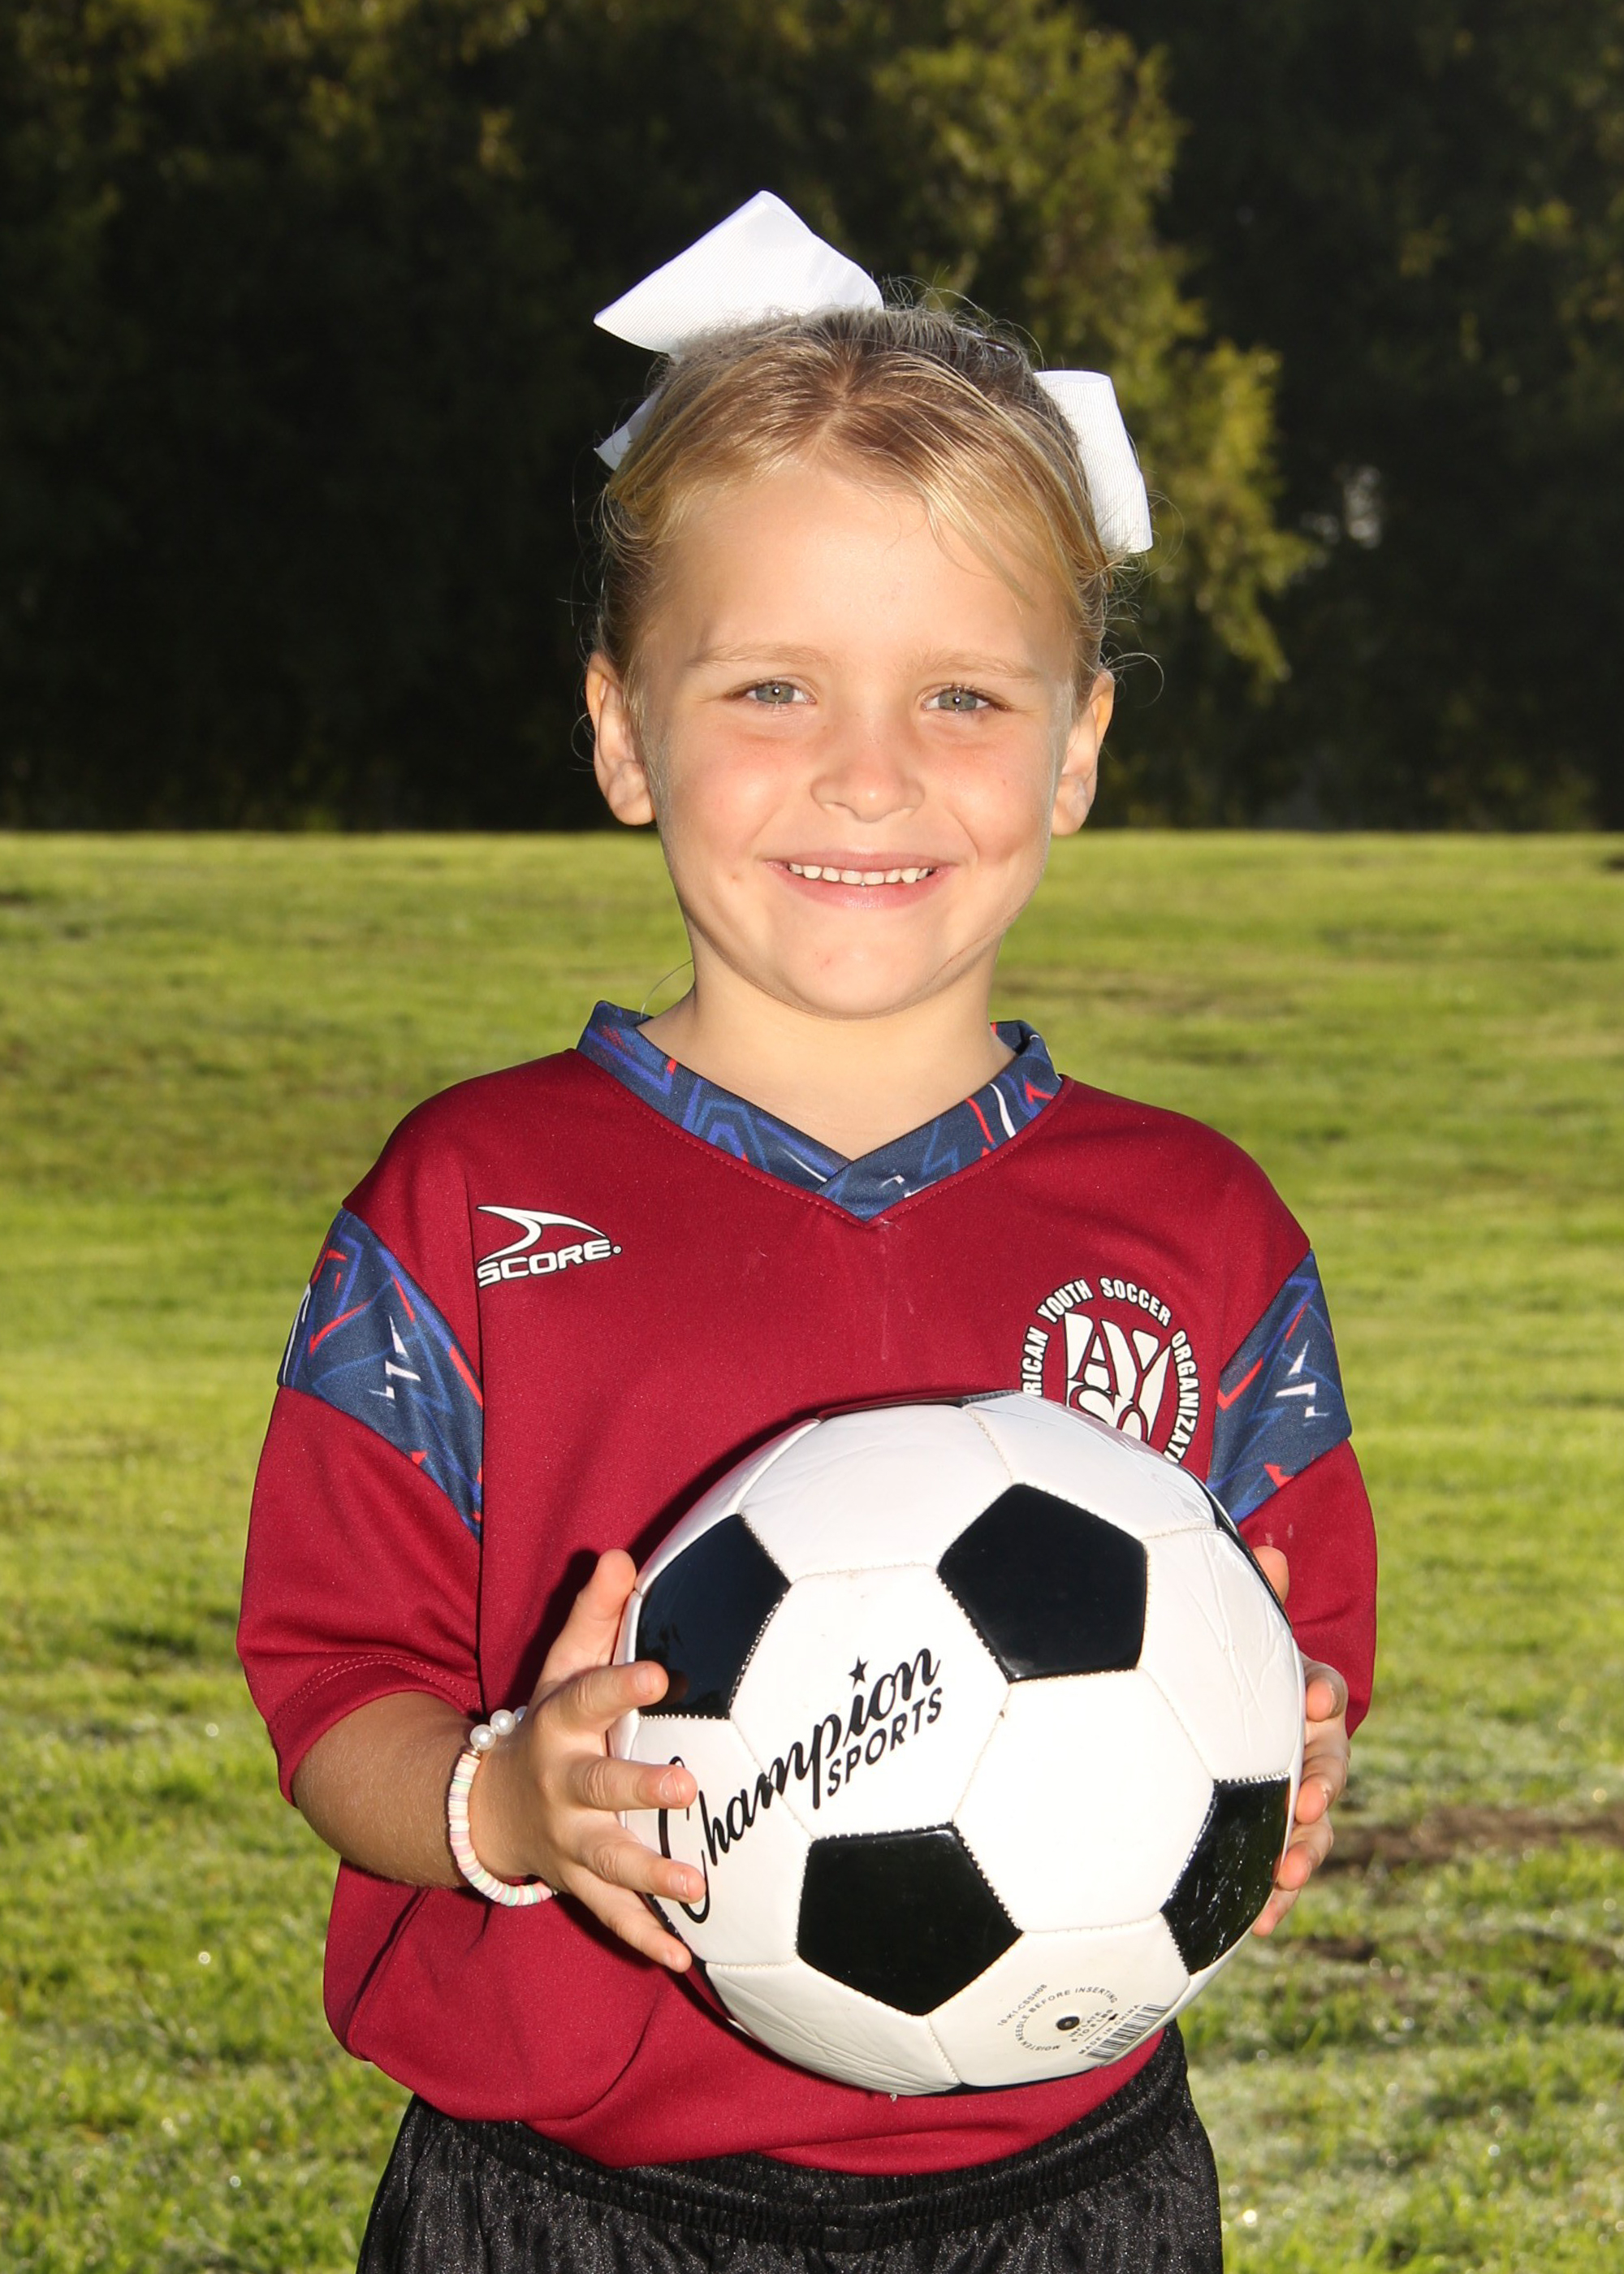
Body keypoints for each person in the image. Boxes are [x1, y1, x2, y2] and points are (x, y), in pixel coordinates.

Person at [239, 193, 1376, 2274]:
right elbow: (335, 1692)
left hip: (1067, 2198)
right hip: (570, 2204)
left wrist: (1281, 1748)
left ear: (1077, 748)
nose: (868, 776)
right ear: (621, 729)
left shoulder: (1197, 1229)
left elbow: (1293, 1669)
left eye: (961, 697)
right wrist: (504, 1801)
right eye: (773, 686)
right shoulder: (469, 1202)